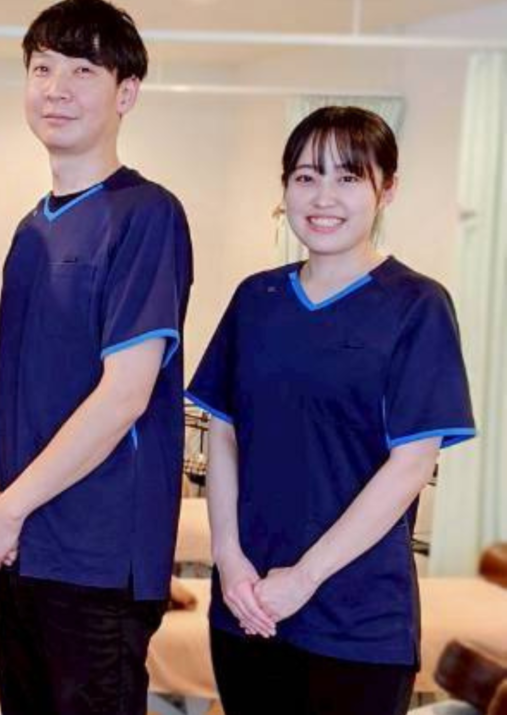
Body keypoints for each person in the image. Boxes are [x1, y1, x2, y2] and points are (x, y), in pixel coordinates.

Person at [188, 106, 476, 715]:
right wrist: (229, 559)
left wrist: (303, 579)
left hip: (356, 622)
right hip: (247, 604)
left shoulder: (416, 306)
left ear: (387, 189)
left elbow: (410, 465)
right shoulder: (257, 298)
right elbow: (225, 432)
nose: (323, 197)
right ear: (285, 188)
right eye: (305, 176)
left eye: (348, 177)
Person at [0, 0, 194, 715]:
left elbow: (126, 393)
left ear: (126, 93)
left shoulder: (146, 214)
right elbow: (14, 383)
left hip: (97, 557)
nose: (56, 88)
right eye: (42, 68)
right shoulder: (31, 229)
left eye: (83, 70)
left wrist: (10, 507)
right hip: (24, 547)